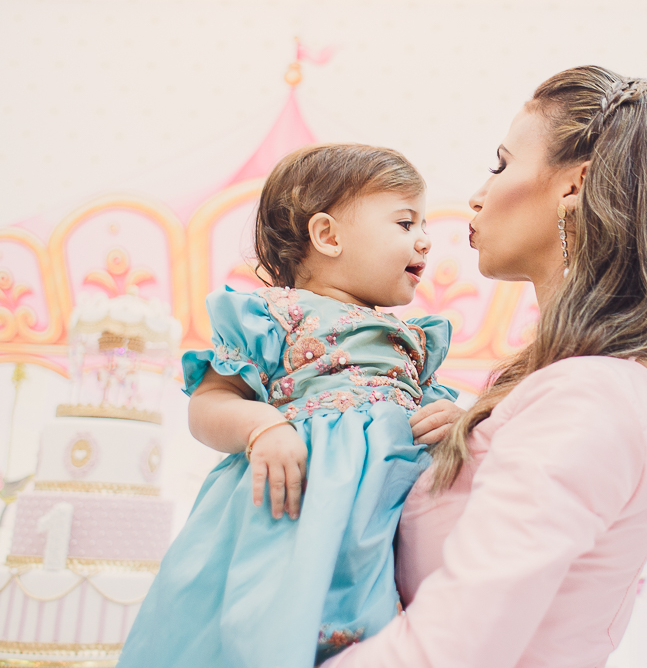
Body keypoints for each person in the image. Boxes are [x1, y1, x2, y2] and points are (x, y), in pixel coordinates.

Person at [322, 66, 647, 668]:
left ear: (575, 185)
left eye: (501, 163)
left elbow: (451, 649)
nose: (478, 195)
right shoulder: (589, 388)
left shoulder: (591, 396)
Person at [118, 144, 458, 668]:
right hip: (291, 510)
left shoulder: (414, 338)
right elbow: (208, 403)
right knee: (270, 625)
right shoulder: (274, 315)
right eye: (405, 222)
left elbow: (431, 414)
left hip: (384, 518)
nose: (425, 240)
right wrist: (261, 427)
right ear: (328, 236)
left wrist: (457, 421)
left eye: (424, 223)